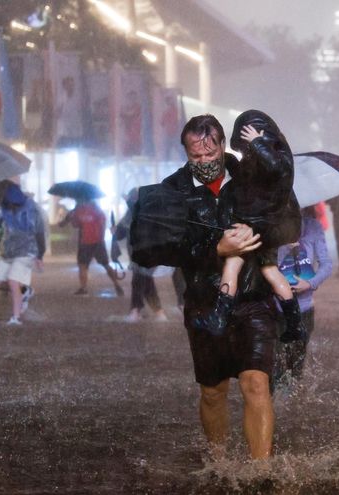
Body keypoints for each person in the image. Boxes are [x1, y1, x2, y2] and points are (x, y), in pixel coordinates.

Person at [132, 114, 302, 460]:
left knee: (256, 383)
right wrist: (215, 249)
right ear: (185, 151)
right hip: (204, 302)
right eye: (196, 157)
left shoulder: (253, 174)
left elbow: (287, 224)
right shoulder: (171, 192)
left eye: (210, 155)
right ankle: (219, 462)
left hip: (254, 298)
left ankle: (260, 469)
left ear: (222, 145)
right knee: (213, 391)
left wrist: (254, 236)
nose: (205, 162)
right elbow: (149, 250)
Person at [193, 110, 305, 344]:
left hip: (256, 225)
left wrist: (257, 142)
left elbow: (274, 167)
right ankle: (295, 324)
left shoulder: (277, 159)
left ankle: (219, 318)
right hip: (268, 226)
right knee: (271, 271)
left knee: (233, 263)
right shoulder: (272, 162)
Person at [275, 206, 333, 388]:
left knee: (296, 365)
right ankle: (273, 407)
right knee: (276, 362)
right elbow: (265, 266)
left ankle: (292, 404)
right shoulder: (271, 228)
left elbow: (326, 264)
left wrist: (310, 284)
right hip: (276, 308)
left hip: (305, 308)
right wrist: (285, 248)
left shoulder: (313, 226)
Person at [0, 183, 45, 325]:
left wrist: (40, 255)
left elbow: (39, 233)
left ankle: (15, 317)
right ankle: (25, 291)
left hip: (27, 251)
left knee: (13, 281)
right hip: (8, 251)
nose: (12, 207)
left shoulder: (32, 210)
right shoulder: (2, 208)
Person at [113, 187, 168, 323]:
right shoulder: (128, 216)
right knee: (147, 283)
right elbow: (120, 234)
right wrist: (115, 231)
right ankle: (159, 312)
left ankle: (135, 310)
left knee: (138, 281)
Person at [60, 198, 124, 297]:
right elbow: (103, 225)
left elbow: (75, 225)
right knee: (106, 264)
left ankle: (84, 288)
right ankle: (117, 284)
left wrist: (72, 217)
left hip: (85, 242)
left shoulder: (79, 211)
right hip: (98, 242)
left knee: (83, 266)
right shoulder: (98, 211)